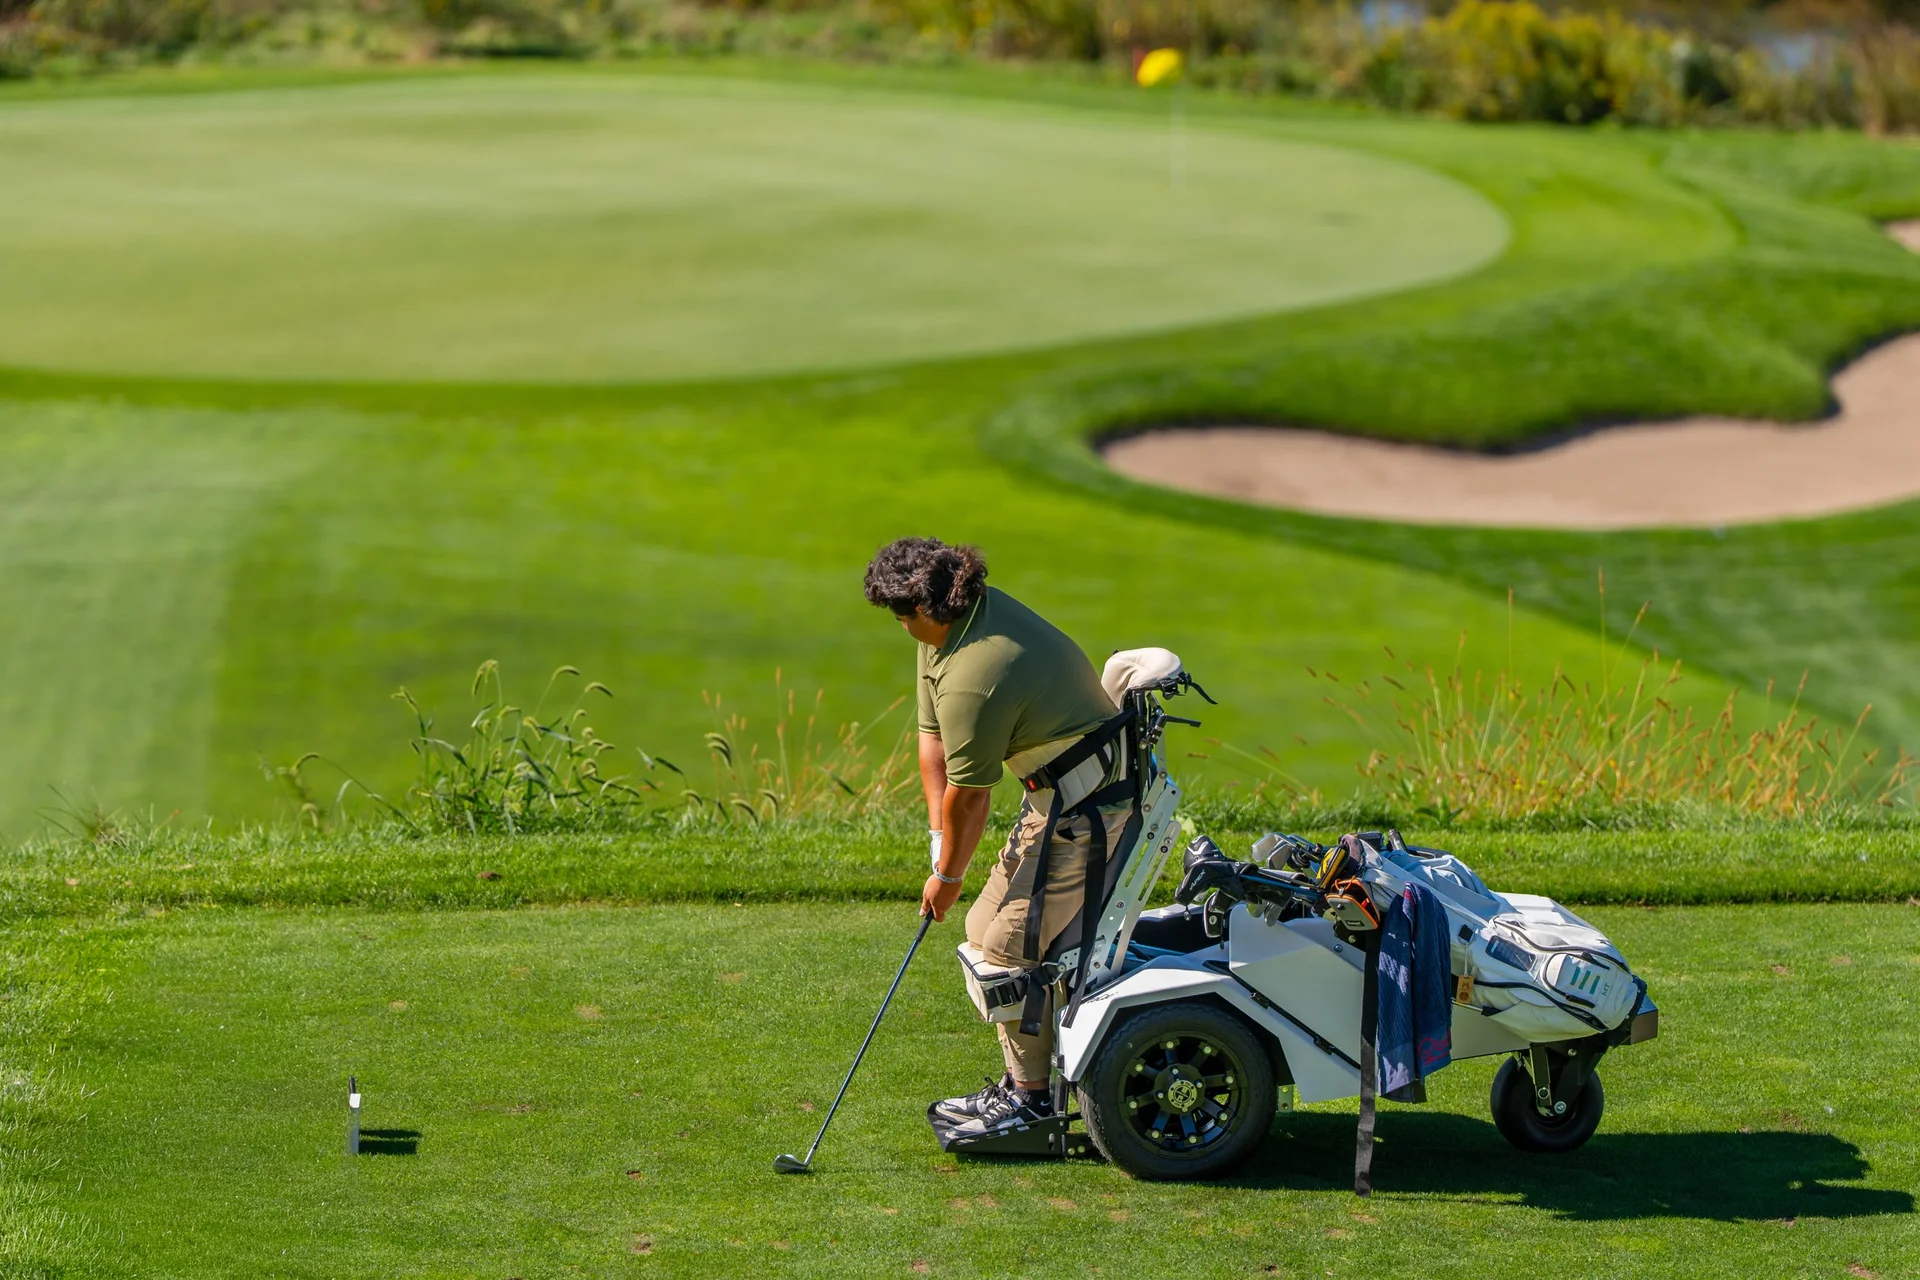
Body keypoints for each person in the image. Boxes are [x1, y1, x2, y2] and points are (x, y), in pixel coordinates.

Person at [863, 536, 1131, 1139]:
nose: (900, 626)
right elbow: (932, 739)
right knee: (981, 933)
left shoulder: (975, 674)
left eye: (902, 616)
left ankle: (1034, 1105)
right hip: (1059, 800)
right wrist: (939, 843)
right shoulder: (954, 624)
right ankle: (1023, 1083)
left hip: (1090, 813)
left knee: (1009, 948)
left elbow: (972, 794)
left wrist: (949, 877)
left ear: (928, 609)